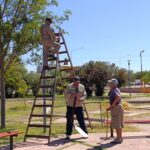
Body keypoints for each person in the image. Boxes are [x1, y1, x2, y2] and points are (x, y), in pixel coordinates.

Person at [106, 78, 124, 144]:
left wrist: (111, 106)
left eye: (110, 83)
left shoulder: (114, 90)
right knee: (118, 124)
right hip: (118, 108)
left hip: (116, 108)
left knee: (117, 124)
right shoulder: (115, 89)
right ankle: (119, 137)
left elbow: (118, 97)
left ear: (114, 84)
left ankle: (119, 139)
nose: (109, 84)